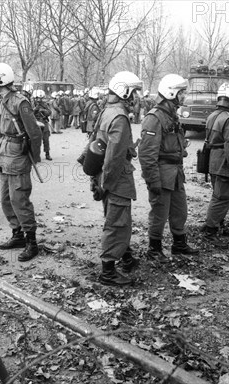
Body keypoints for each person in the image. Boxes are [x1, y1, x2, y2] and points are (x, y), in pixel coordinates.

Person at [139, 74, 199, 263]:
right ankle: (154, 249)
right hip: (162, 173)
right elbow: (147, 153)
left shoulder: (171, 115)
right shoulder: (155, 118)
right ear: (171, 92)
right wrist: (153, 180)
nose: (184, 96)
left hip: (175, 173)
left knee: (180, 210)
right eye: (181, 93)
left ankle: (179, 243)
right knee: (159, 213)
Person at [90, 71, 143, 287]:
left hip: (106, 176)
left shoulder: (108, 110)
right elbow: (114, 158)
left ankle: (126, 255)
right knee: (117, 222)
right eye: (134, 92)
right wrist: (107, 185)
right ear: (125, 91)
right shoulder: (119, 117)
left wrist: (99, 180)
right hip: (116, 179)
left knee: (117, 219)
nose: (136, 97)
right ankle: (108, 271)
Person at [0, 63, 42, 261]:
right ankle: (17, 233)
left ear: (1, 79)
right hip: (5, 155)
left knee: (19, 199)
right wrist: (0, 144)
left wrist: (34, 157)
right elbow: (0, 128)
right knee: (6, 199)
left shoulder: (20, 102)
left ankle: (31, 242)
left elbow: (34, 133)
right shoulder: (2, 101)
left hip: (18, 156)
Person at [202, 82, 229, 238]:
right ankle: (211, 229)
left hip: (213, 161)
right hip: (224, 163)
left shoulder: (212, 116)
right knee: (222, 198)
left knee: (218, 195)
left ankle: (218, 224)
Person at [31, 89, 52, 160]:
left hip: (44, 122)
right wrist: (35, 109)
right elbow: (29, 114)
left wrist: (44, 111)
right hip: (35, 123)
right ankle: (37, 155)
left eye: (40, 98)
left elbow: (49, 112)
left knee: (46, 139)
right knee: (37, 140)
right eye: (37, 98)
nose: (39, 100)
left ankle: (47, 153)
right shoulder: (31, 104)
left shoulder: (45, 104)